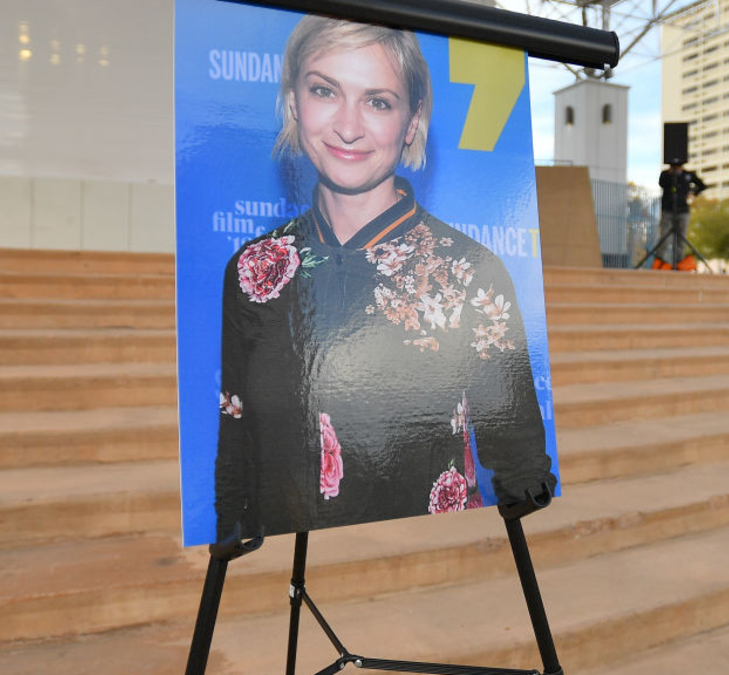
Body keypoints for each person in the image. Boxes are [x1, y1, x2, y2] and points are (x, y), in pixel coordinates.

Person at [215, 16, 556, 542]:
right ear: (292, 102)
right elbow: (236, 453)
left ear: (412, 120)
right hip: (280, 574)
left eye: (378, 101)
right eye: (325, 90)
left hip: (428, 582)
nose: (348, 126)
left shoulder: (470, 275)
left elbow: (521, 467)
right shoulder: (254, 271)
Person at [656, 162, 705, 269]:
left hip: (683, 210)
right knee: (665, 237)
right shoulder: (665, 174)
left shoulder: (688, 175)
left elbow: (702, 186)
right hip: (668, 210)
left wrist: (693, 192)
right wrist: (670, 173)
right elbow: (661, 183)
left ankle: (679, 264)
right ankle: (659, 263)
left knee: (681, 239)